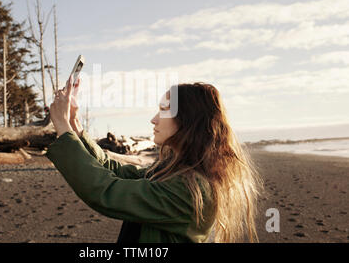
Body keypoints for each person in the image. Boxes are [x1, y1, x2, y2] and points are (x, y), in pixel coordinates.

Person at [46, 76, 262, 243]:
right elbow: (115, 172)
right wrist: (74, 124)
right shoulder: (173, 170)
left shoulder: (190, 188)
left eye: (164, 110)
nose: (154, 119)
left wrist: (63, 128)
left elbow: (105, 191)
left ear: (188, 121)